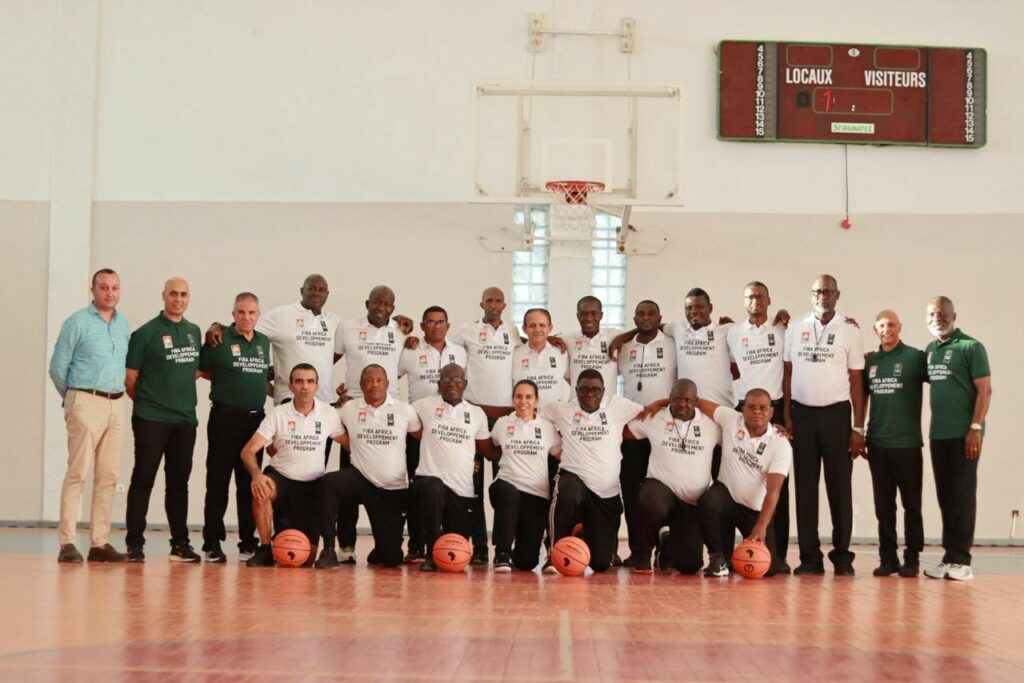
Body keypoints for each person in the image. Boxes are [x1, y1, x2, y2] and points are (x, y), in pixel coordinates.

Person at [784, 274, 865, 576]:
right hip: (803, 415)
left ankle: (842, 558)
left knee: (839, 489)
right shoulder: (795, 326)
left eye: (829, 291)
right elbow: (788, 372)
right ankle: (810, 559)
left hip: (836, 416)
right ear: (811, 294)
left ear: (838, 295)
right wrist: (789, 416)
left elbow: (857, 379)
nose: (823, 296)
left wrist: (858, 428)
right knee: (805, 489)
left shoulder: (850, 330)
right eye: (818, 291)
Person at [48, 268, 131, 564]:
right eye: (104, 287)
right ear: (92, 290)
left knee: (108, 476)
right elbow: (58, 366)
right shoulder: (78, 323)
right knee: (78, 473)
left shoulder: (124, 326)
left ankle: (99, 543)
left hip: (116, 403)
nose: (110, 293)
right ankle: (67, 542)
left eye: (115, 288)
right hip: (85, 400)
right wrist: (72, 399)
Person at [331, 285, 412, 561]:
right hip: (355, 412)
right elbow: (327, 358)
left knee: (396, 478)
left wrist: (410, 333)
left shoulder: (402, 331)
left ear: (393, 307)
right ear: (367, 303)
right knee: (348, 486)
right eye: (376, 301)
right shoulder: (348, 327)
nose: (381, 307)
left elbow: (407, 360)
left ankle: (399, 541)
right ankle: (346, 545)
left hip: (391, 415)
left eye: (388, 303)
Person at [124, 277, 202, 562]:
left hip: (184, 422)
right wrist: (150, 404)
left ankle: (180, 544)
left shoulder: (194, 332)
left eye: (183, 294)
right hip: (151, 420)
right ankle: (134, 544)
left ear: (188, 297)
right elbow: (130, 378)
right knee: (143, 480)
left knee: (179, 484)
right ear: (163, 296)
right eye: (173, 294)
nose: (178, 299)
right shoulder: (145, 333)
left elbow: (192, 371)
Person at [316, 365, 422, 569]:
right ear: (361, 385)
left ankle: (383, 546)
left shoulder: (404, 410)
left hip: (392, 489)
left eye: (379, 380)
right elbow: (320, 418)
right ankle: (328, 548)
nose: (374, 384)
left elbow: (425, 439)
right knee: (329, 482)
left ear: (388, 384)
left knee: (390, 559)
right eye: (369, 380)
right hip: (360, 480)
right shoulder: (349, 408)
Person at [241, 364, 345, 567]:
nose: (304, 387)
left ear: (317, 386)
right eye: (299, 381)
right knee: (262, 488)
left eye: (309, 381)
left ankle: (321, 547)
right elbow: (247, 451)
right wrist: (256, 474)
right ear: (290, 386)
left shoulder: (328, 414)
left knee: (305, 559)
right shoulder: (279, 413)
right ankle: (264, 549)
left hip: (312, 486)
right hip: (282, 479)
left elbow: (350, 445)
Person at [543, 369, 646, 573]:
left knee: (600, 563)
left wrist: (662, 404)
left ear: (603, 391)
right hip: (574, 480)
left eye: (595, 390)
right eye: (584, 390)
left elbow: (646, 411)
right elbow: (537, 419)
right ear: (576, 390)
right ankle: (553, 553)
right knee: (566, 489)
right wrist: (555, 447)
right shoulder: (561, 409)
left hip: (605, 494)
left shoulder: (619, 406)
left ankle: (581, 531)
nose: (590, 394)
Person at [197, 292, 271, 562]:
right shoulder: (219, 339)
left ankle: (247, 541)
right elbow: (200, 370)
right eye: (241, 312)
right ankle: (212, 542)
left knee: (249, 483)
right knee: (218, 482)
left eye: (251, 313)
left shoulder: (264, 343)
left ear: (258, 315)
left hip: (255, 422)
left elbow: (262, 377)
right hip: (224, 419)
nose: (246, 317)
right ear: (233, 315)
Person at [452, 287, 523, 565]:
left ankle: (505, 546)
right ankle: (479, 544)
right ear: (481, 303)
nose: (493, 304)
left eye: (497, 300)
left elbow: (534, 344)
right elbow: (443, 346)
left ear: (504, 305)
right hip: (476, 419)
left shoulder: (515, 333)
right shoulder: (466, 331)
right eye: (488, 300)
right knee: (474, 484)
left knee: (506, 484)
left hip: (506, 420)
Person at [922, 296, 992, 582]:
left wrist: (975, 427)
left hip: (965, 435)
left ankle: (962, 561)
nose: (936, 317)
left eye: (942, 313)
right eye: (931, 314)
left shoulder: (971, 347)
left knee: (962, 495)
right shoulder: (930, 349)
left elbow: (985, 390)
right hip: (938, 434)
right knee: (946, 497)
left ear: (954, 315)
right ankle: (949, 557)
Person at [727, 281, 792, 572]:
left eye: (760, 296)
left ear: (769, 300)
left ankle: (777, 552)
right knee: (734, 476)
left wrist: (786, 419)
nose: (755, 301)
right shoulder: (733, 333)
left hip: (773, 408)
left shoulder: (782, 330)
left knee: (778, 484)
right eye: (749, 297)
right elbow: (731, 368)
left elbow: (790, 369)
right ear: (744, 302)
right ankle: (723, 553)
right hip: (743, 408)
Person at [696, 389, 792, 577]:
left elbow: (774, 492)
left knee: (768, 569)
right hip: (726, 500)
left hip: (754, 510)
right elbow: (698, 402)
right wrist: (664, 402)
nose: (757, 412)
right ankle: (718, 558)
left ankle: (736, 555)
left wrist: (761, 525)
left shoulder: (780, 444)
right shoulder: (731, 419)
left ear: (772, 411)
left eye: (763, 408)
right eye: (752, 407)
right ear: (743, 408)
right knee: (708, 500)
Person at [626, 379, 719, 574]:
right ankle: (642, 554)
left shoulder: (711, 425)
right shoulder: (655, 418)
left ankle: (666, 544)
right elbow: (625, 432)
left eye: (688, 400)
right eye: (677, 399)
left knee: (690, 565)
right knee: (649, 500)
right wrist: (656, 404)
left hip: (692, 501)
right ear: (669, 400)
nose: (682, 405)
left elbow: (738, 432)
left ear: (696, 401)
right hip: (660, 489)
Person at [397, 305, 467, 562]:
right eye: (430, 321)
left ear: (448, 325)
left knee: (447, 487)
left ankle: (447, 541)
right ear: (422, 324)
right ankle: (416, 545)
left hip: (450, 431)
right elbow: (390, 377)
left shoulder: (460, 351)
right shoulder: (410, 350)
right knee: (419, 489)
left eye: (441, 322)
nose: (436, 326)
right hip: (418, 430)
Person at [208, 274, 339, 406]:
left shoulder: (334, 321)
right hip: (289, 399)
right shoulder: (282, 315)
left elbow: (344, 349)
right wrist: (217, 326)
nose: (316, 293)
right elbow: (246, 326)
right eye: (312, 288)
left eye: (321, 290)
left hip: (326, 400)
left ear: (327, 294)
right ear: (301, 291)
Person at [410, 364, 492, 572]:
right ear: (439, 384)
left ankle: (440, 550)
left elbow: (487, 450)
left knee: (456, 547)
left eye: (457, 380)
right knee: (433, 487)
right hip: (428, 483)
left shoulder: (476, 413)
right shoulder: (424, 405)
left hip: (461, 491)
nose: (452, 384)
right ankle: (429, 553)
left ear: (465, 384)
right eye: (446, 380)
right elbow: (401, 418)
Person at [863, 310, 927, 577]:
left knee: (911, 504)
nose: (887, 329)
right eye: (881, 325)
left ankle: (912, 558)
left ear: (900, 327)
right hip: (878, 444)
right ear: (874, 329)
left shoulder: (915, 357)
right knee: (883, 506)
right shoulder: (870, 361)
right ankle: (888, 558)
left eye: (891, 325)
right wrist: (858, 431)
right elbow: (861, 398)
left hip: (908, 445)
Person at [615, 300, 676, 565]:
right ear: (634, 317)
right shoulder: (625, 347)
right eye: (641, 313)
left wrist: (662, 404)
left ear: (660, 316)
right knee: (630, 490)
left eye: (652, 313)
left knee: (664, 490)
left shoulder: (673, 345)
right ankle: (639, 550)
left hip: (664, 427)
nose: (646, 317)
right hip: (631, 429)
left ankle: (667, 546)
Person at [488, 380, 562, 571]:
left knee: (526, 563)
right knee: (509, 494)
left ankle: (529, 552)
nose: (523, 401)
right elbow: (489, 447)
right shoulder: (503, 423)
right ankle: (502, 553)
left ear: (536, 400)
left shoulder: (546, 427)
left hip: (536, 494)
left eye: (528, 397)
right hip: (505, 486)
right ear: (513, 399)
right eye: (518, 396)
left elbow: (561, 455)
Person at [512, 308, 570, 408]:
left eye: (542, 325)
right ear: (524, 328)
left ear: (550, 327)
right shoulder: (514, 354)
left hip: (555, 416)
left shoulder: (561, 352)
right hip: (525, 416)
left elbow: (571, 380)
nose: (537, 329)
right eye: (532, 325)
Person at [565, 296, 621, 390]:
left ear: (601, 315)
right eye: (584, 313)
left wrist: (620, 338)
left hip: (608, 403)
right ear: (578, 316)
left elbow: (639, 331)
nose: (589, 318)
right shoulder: (567, 339)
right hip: (577, 402)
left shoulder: (614, 335)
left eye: (594, 313)